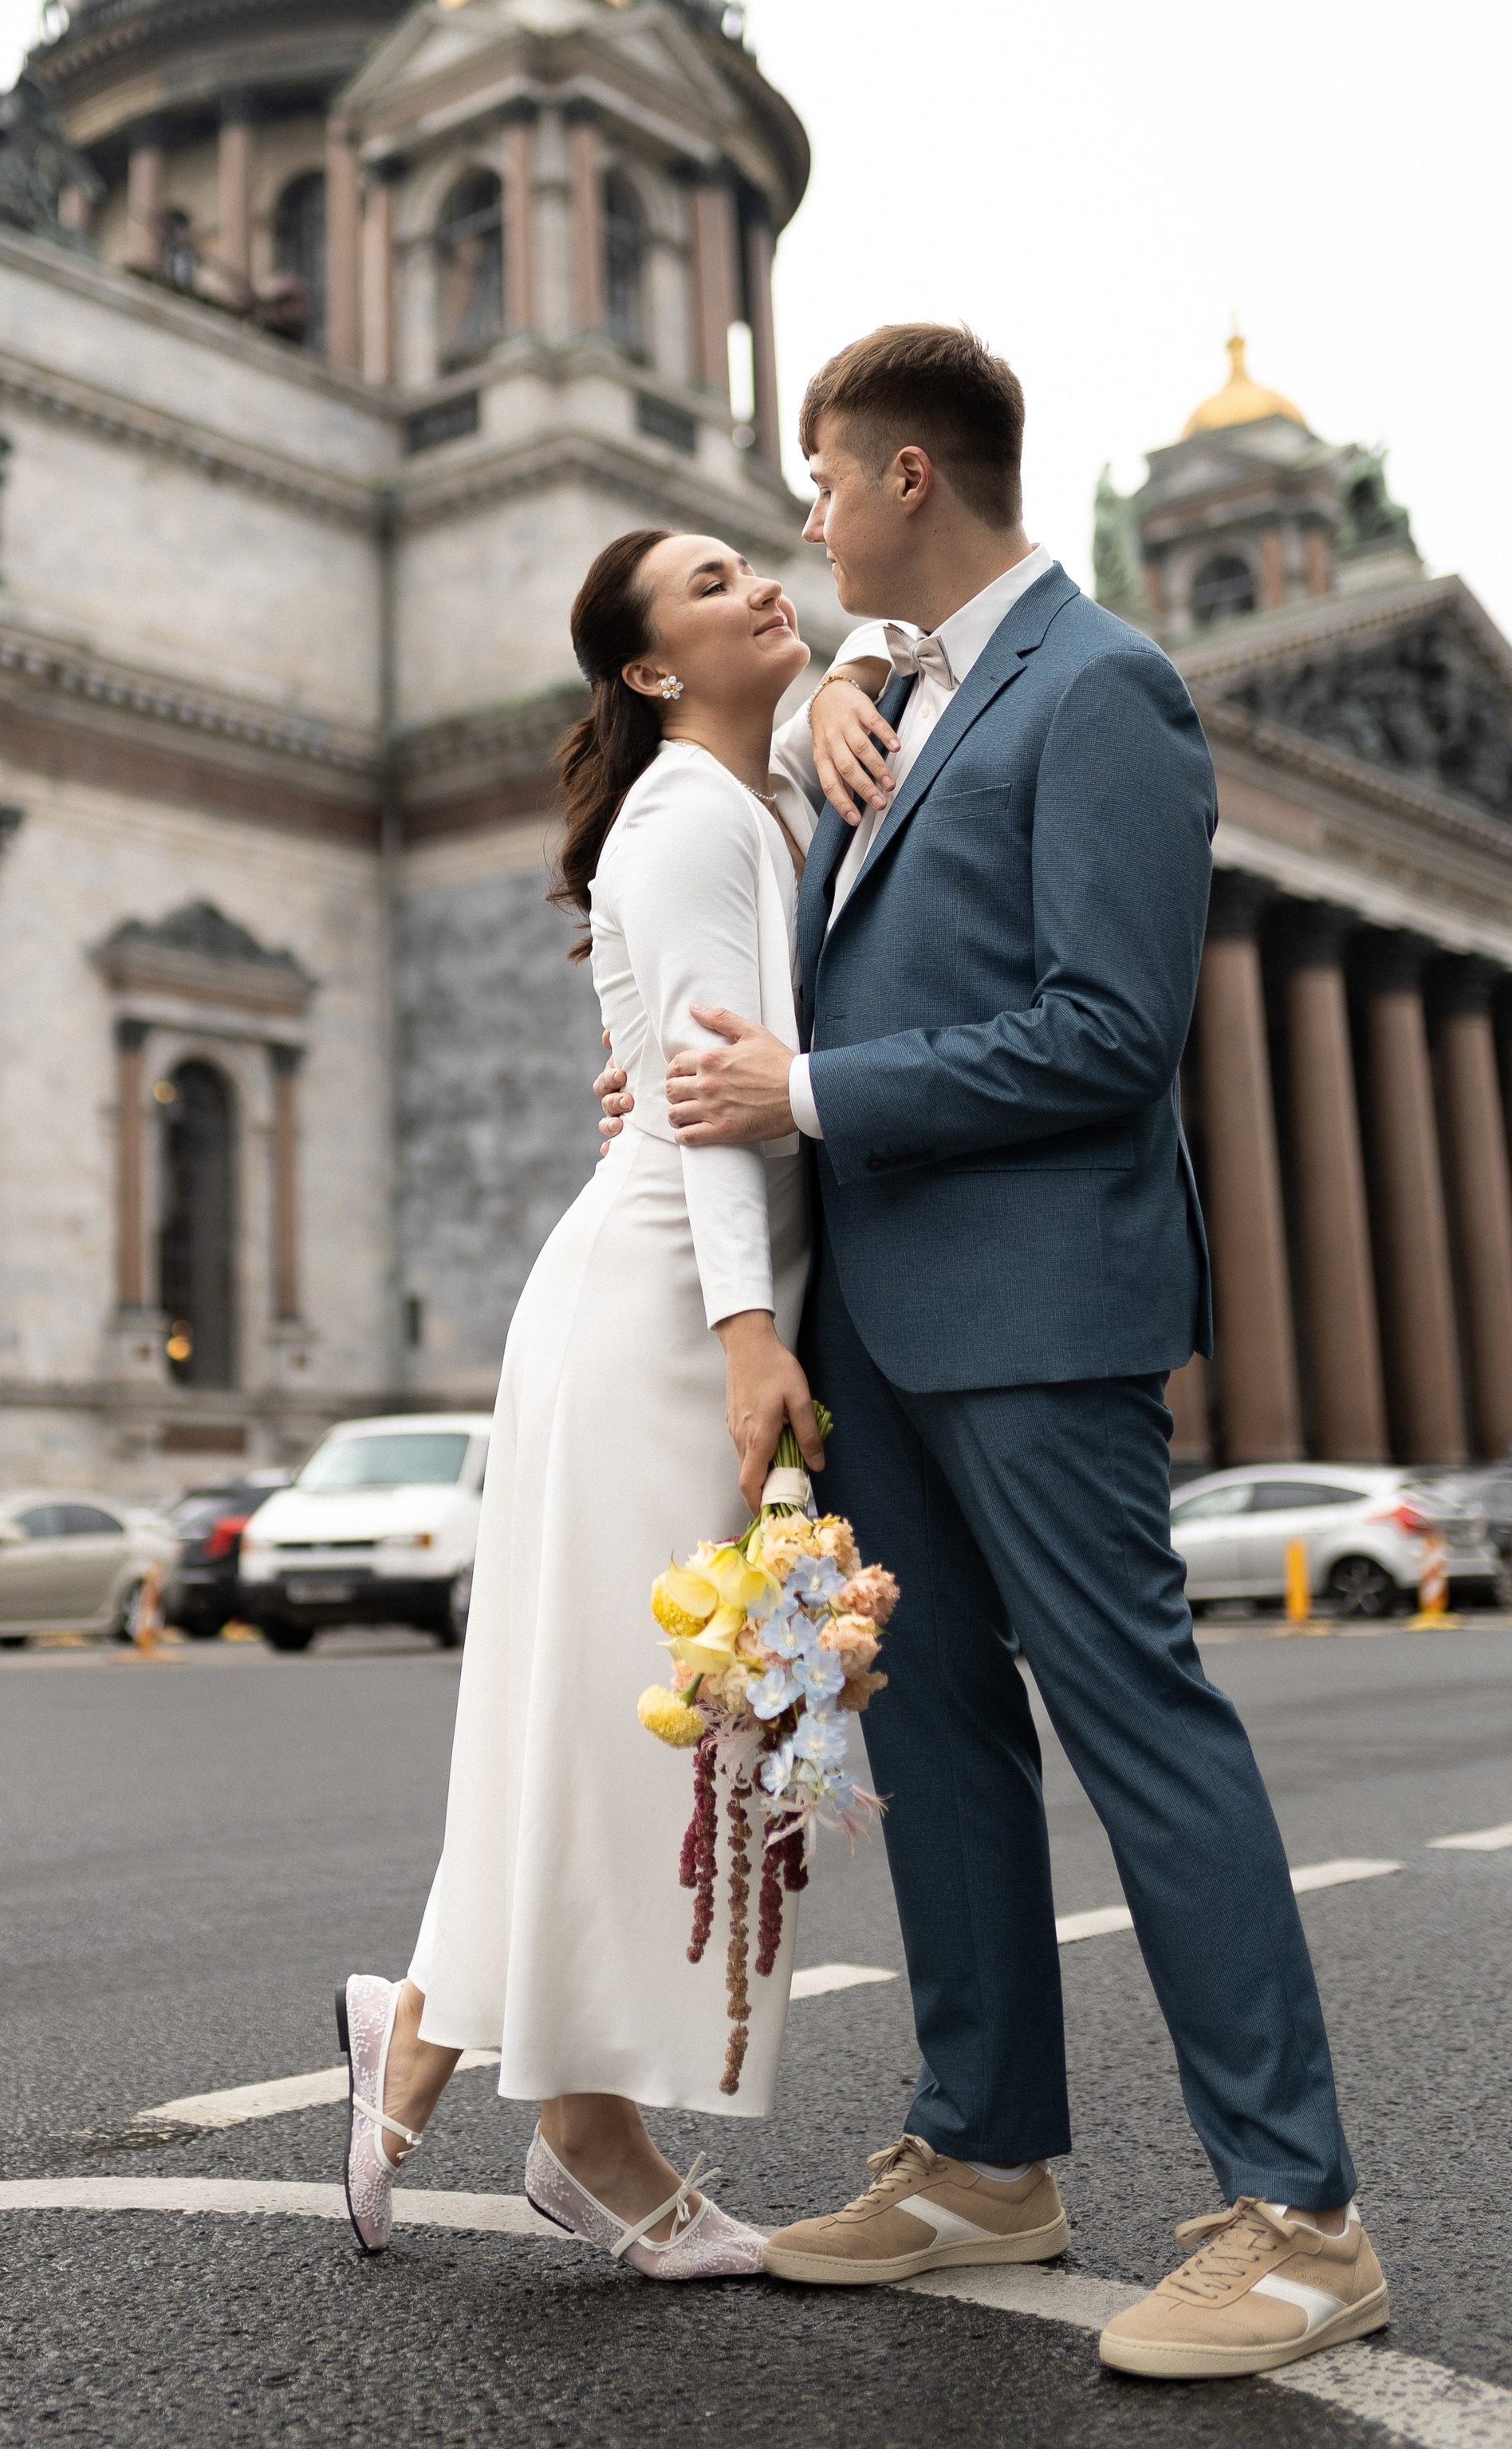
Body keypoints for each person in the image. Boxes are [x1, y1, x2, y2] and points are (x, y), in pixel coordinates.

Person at [602, 322, 1384, 2380]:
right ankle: (983, 2159)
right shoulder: (900, 699)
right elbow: (783, 943)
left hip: (1038, 1310)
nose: (799, 516)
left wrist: (808, 1095)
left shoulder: (1102, 688)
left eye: (818, 480)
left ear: (907, 482)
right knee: (934, 1741)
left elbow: (1106, 1035)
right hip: (890, 1321)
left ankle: (1296, 2218)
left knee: (1136, 1725)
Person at [337, 526, 832, 2277]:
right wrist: (750, 1330)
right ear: (643, 669)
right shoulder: (695, 813)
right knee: (648, 1729)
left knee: (605, 1718)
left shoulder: (737, 799)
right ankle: (577, 2129)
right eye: (707, 586)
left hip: (652, 1298)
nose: (759, 584)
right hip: (660, 1312)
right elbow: (706, 1102)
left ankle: (440, 2051)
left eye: (748, 561)